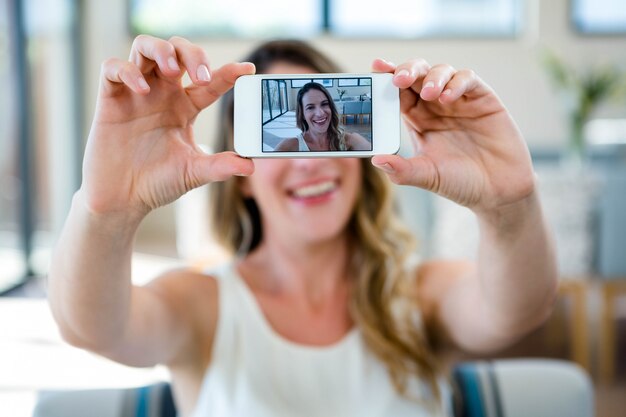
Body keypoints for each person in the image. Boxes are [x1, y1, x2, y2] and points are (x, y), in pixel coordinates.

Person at [48, 35, 558, 417]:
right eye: (304, 108)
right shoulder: (201, 304)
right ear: (243, 177)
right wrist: (105, 209)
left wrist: (508, 204)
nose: (311, 165)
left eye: (324, 106)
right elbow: (92, 328)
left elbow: (519, 310)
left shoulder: (420, 294)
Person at [273, 81, 371, 151]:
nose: (320, 113)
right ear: (302, 114)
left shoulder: (349, 140)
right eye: (310, 107)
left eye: (324, 104)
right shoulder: (290, 146)